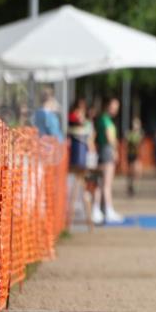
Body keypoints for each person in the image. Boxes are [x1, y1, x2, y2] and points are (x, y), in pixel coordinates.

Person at [94, 97, 125, 224]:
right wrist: (114, 150)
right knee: (106, 183)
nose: (115, 109)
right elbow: (109, 137)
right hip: (107, 151)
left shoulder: (103, 119)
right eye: (113, 106)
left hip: (103, 150)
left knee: (101, 183)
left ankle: (99, 209)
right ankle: (108, 210)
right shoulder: (105, 120)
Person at [66, 98, 94, 231]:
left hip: (82, 158)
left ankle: (84, 217)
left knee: (82, 187)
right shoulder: (73, 120)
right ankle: (73, 219)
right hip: (77, 159)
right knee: (77, 188)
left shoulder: (85, 123)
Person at [125, 117, 143, 197]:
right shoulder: (129, 134)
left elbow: (140, 144)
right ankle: (130, 186)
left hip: (137, 155)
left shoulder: (140, 134)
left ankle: (133, 185)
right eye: (135, 124)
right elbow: (127, 143)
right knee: (130, 171)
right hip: (130, 154)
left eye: (137, 124)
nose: (135, 126)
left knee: (136, 171)